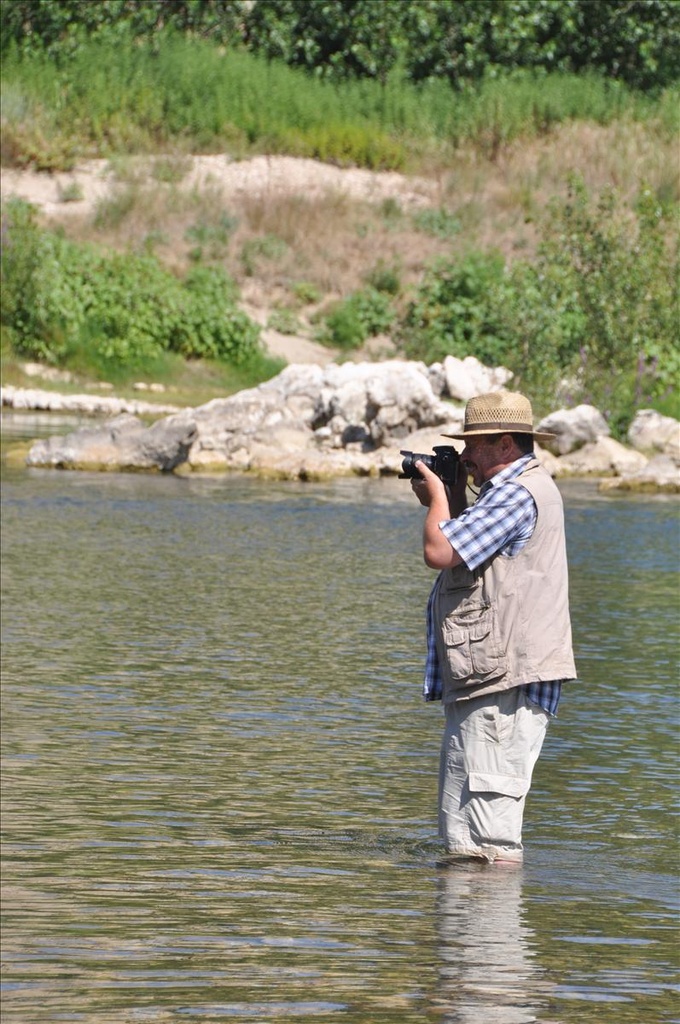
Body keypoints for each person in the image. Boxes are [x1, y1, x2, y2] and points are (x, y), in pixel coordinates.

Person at [410, 390, 577, 863]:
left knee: (488, 842)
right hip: (493, 682)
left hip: (504, 687)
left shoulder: (515, 493)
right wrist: (453, 497)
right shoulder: (515, 490)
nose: (465, 456)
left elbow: (440, 552)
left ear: (505, 445)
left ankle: (491, 935)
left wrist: (437, 500)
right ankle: (468, 933)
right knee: (466, 837)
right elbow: (471, 549)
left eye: (474, 445)